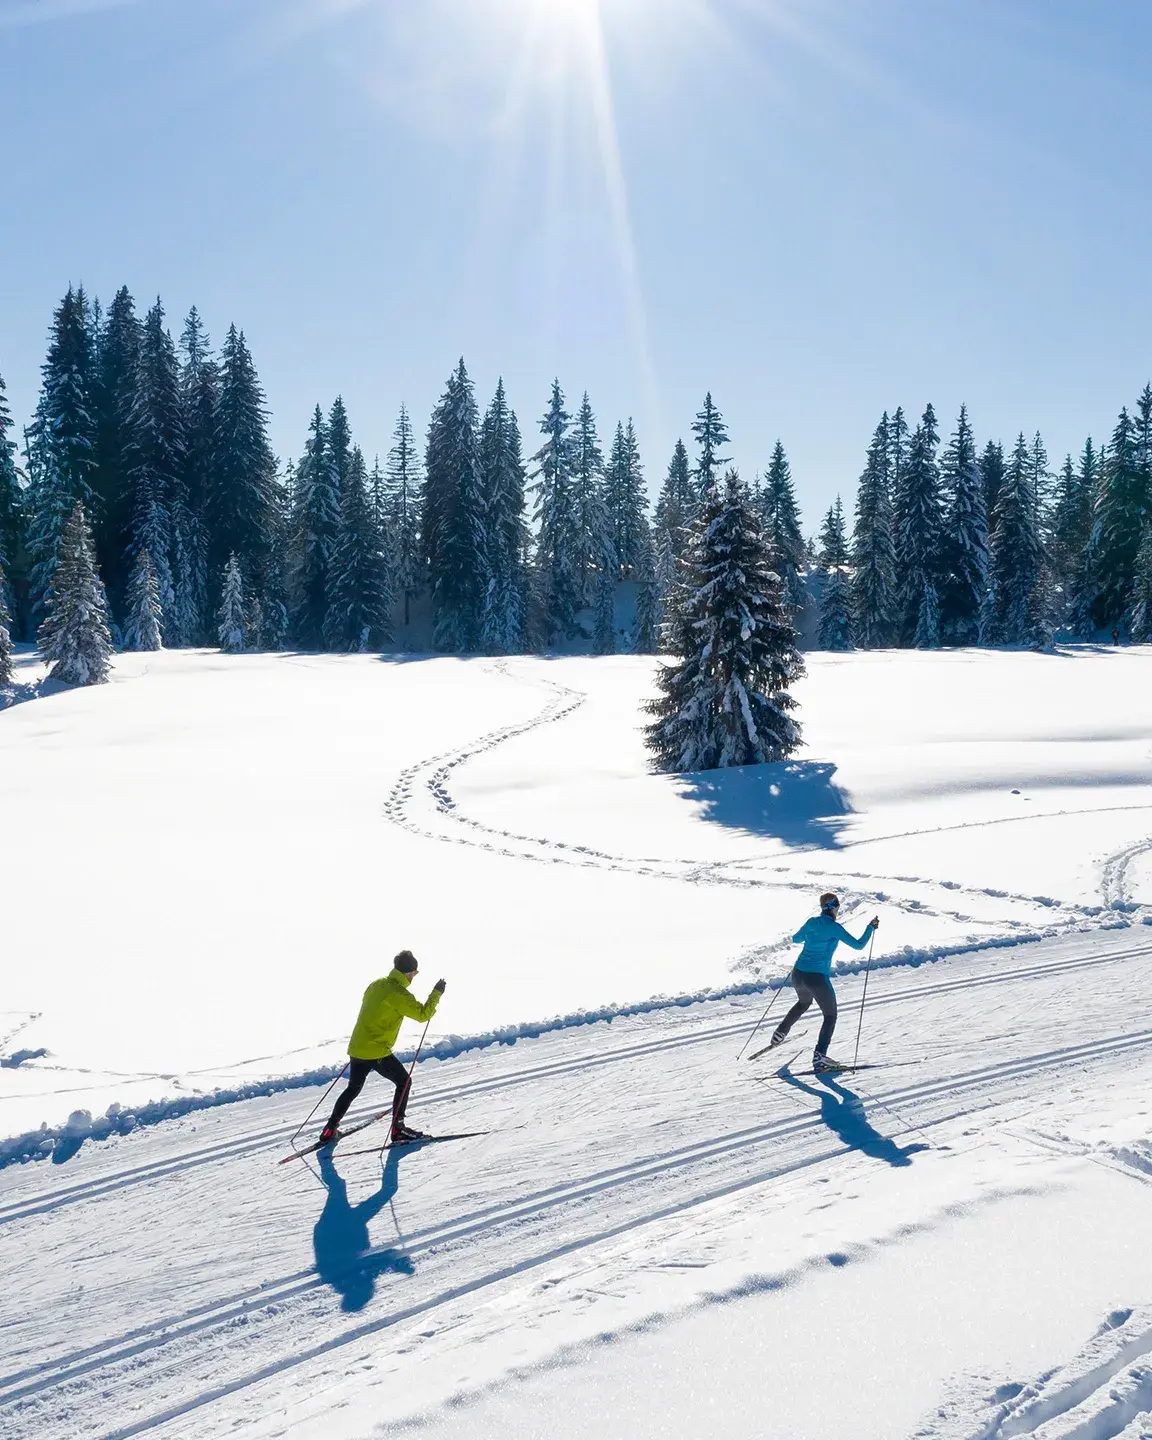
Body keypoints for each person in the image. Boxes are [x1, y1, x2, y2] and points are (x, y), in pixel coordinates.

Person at [319, 950, 446, 1146]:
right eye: (414, 973)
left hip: (357, 1046)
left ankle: (329, 1129)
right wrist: (436, 994)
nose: (414, 976)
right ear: (408, 972)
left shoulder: (376, 984)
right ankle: (398, 1129)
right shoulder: (400, 994)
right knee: (404, 1082)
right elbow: (423, 1014)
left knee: (353, 1088)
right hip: (376, 1051)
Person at [768, 893, 878, 1072]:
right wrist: (870, 928)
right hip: (817, 978)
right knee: (830, 1015)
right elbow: (859, 945)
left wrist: (811, 936)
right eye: (837, 906)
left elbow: (796, 939)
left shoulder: (812, 922)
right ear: (835, 907)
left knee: (804, 1003)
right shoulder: (834, 927)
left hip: (798, 974)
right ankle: (820, 1055)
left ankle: (780, 1032)